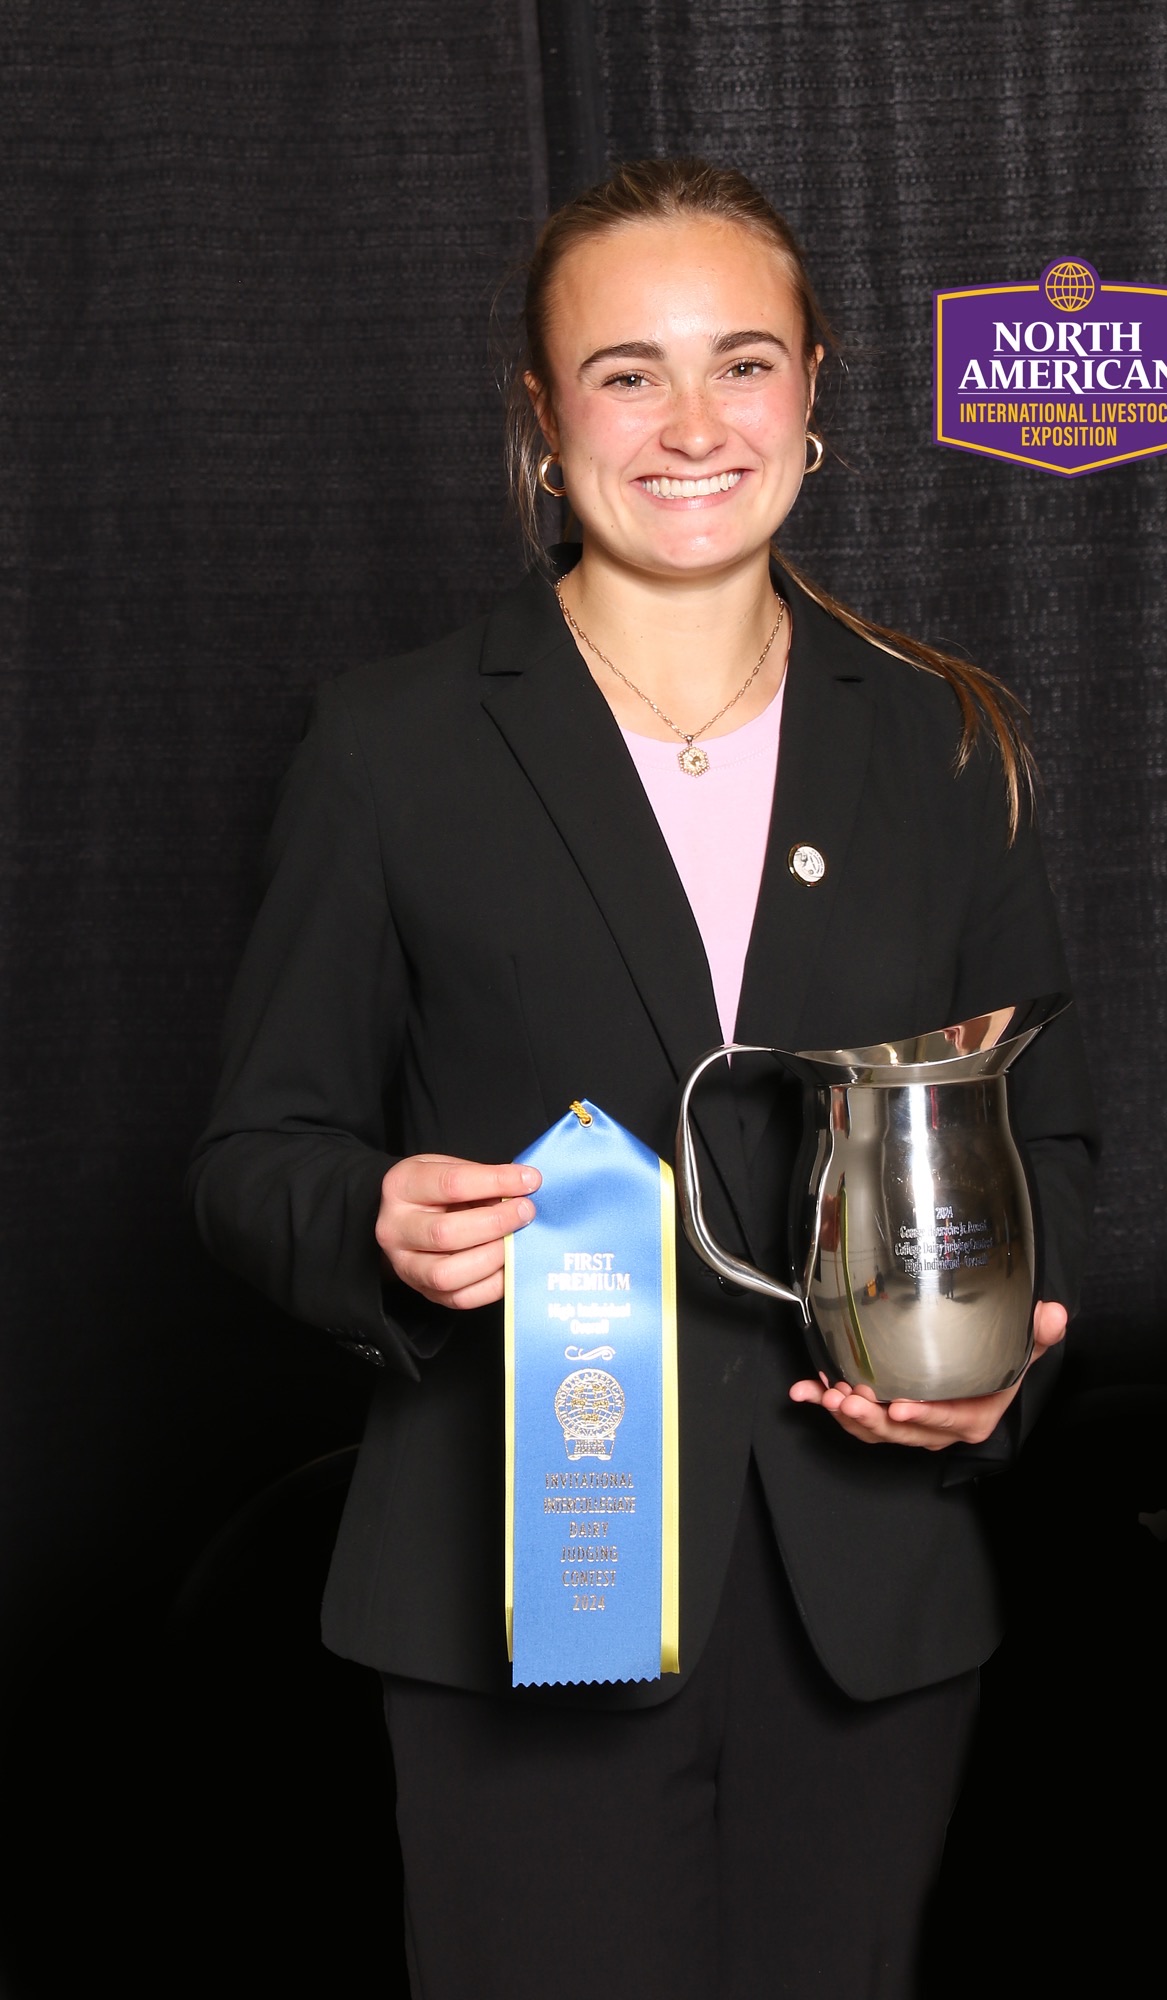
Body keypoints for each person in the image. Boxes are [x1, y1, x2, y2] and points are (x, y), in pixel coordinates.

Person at [188, 157, 1096, 2000]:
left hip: (867, 1591)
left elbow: (1044, 1133)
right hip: (516, 1582)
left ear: (818, 391)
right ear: (541, 418)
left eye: (741, 363)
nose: (691, 424)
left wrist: (988, 1369)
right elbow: (252, 1152)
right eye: (625, 373)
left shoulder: (944, 736)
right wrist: (369, 1222)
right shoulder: (390, 742)